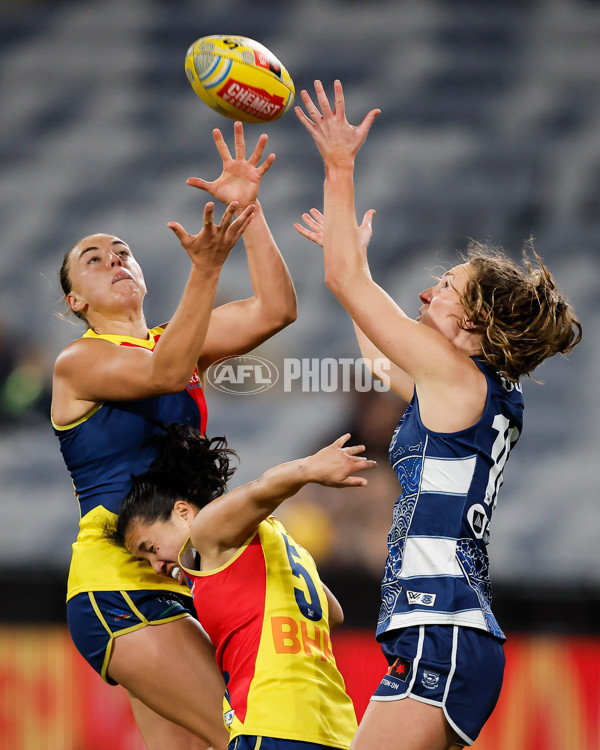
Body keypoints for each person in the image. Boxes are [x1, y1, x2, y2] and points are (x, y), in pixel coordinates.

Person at [294, 80, 582, 750]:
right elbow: (376, 356)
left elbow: (342, 281)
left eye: (445, 289)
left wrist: (339, 170)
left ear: (476, 323)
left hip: (442, 629)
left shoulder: (457, 379)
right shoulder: (464, 387)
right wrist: (356, 264)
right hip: (444, 631)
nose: (427, 291)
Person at [51, 122, 297, 750]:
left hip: (172, 579)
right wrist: (207, 271)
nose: (114, 260)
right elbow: (163, 371)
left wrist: (248, 208)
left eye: (122, 251)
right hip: (117, 583)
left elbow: (276, 309)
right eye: (93, 259)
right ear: (75, 301)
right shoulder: (78, 362)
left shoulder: (174, 341)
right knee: (251, 735)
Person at [109, 422, 377, 750]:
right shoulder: (279, 537)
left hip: (270, 723)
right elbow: (332, 612)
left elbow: (259, 490)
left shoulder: (206, 530)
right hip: (335, 730)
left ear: (181, 512)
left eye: (150, 548)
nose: (156, 566)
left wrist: (308, 468)